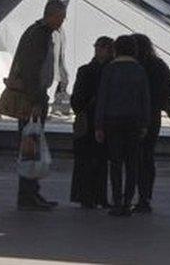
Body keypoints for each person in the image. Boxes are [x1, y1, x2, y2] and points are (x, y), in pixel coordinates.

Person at [8, 0, 67, 210]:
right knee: (30, 147)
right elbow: (32, 71)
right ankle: (27, 194)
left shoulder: (36, 32)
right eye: (61, 17)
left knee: (31, 145)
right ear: (52, 15)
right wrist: (35, 100)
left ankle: (32, 192)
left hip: (34, 96)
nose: (62, 22)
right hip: (32, 98)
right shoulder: (39, 35)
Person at [95, 35, 150, 217]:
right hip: (133, 121)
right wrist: (144, 123)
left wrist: (99, 125)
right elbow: (144, 99)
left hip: (112, 121)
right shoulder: (139, 70)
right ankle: (128, 202)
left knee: (116, 163)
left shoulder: (110, 70)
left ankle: (117, 201)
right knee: (132, 163)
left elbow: (102, 98)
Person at [131, 34, 170, 214]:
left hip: (134, 115)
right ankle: (145, 197)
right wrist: (161, 100)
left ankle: (128, 195)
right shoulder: (157, 64)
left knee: (132, 156)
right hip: (152, 115)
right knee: (147, 156)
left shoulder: (133, 66)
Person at [70, 36, 113, 209]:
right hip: (104, 121)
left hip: (87, 120)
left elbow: (76, 100)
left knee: (85, 160)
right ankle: (99, 196)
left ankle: (85, 195)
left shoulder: (85, 71)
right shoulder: (112, 72)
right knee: (101, 161)